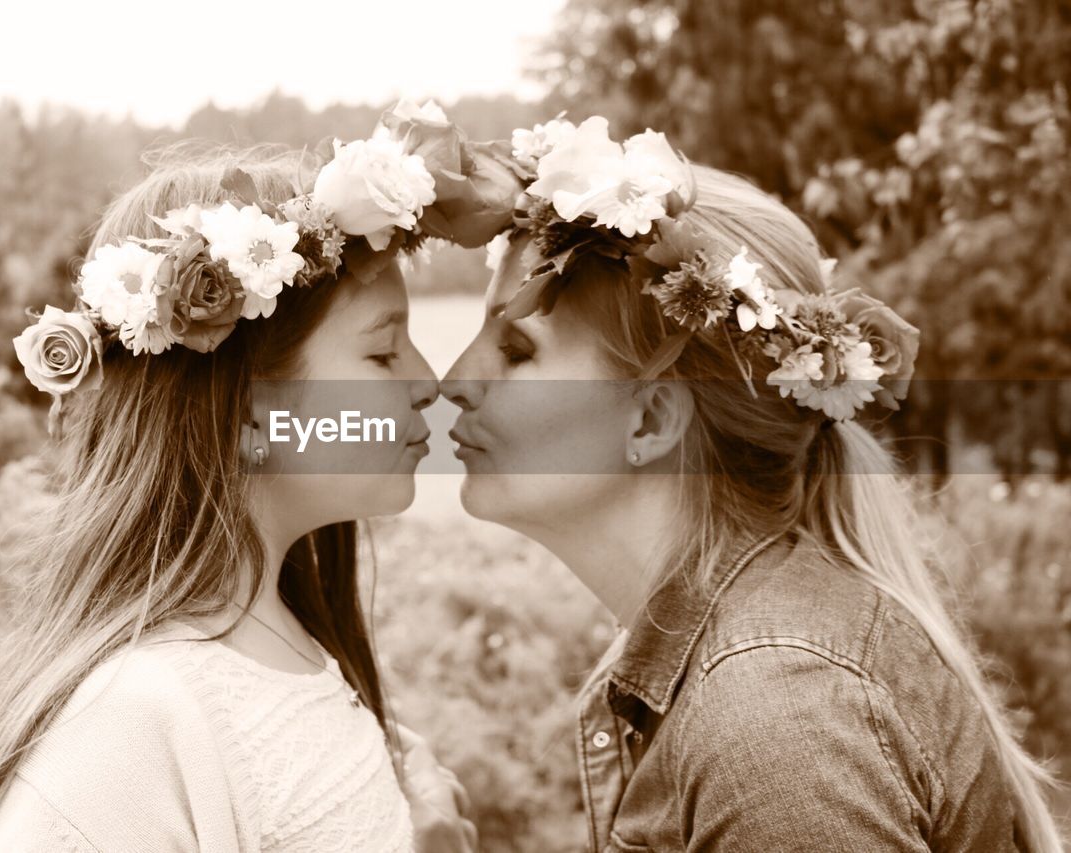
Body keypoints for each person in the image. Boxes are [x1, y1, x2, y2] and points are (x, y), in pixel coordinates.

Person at [441, 115, 1065, 852]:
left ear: (652, 420)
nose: (454, 381)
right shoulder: (749, 675)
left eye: (516, 349)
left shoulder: (772, 722)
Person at [0, 131, 481, 852]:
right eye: (383, 351)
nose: (428, 382)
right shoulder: (124, 728)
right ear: (248, 408)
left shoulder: (290, 643)